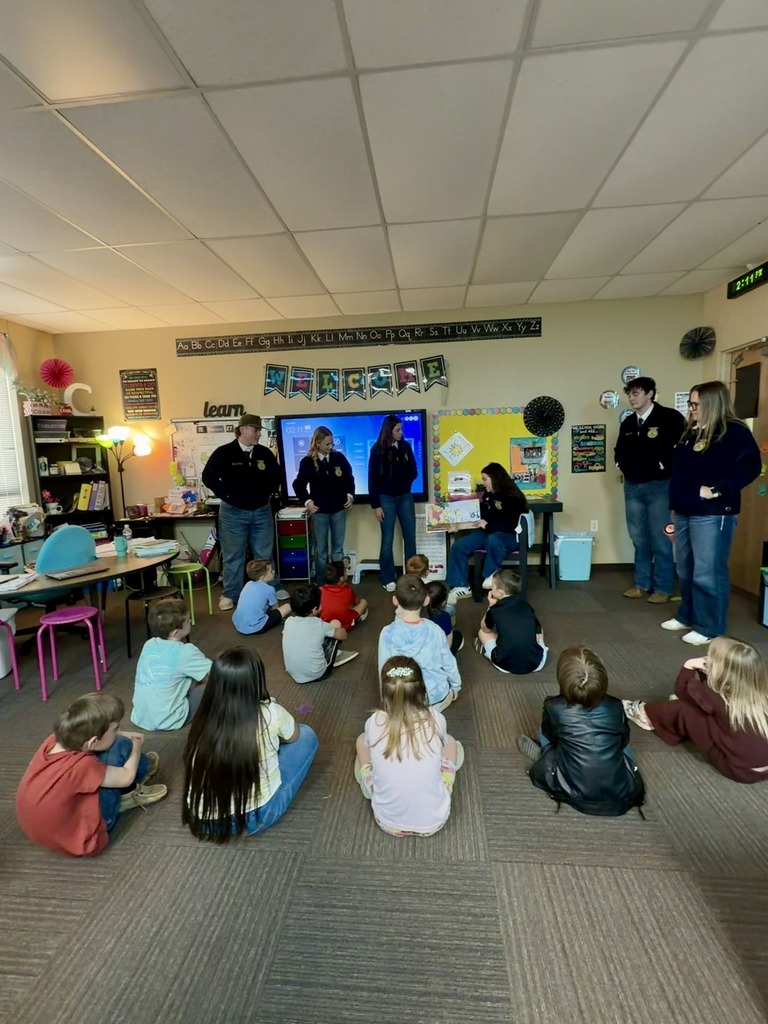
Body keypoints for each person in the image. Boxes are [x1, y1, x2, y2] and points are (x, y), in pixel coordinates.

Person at [662, 381, 761, 645]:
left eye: (696, 404)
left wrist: (717, 490)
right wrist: (674, 507)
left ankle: (709, 627)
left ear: (712, 403)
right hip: (684, 509)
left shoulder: (734, 431)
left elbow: (750, 466)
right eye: (690, 404)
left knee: (708, 571)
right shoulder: (690, 431)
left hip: (713, 512)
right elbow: (681, 472)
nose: (692, 409)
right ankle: (687, 615)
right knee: (685, 567)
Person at [182, 648, 319, 840]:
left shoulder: (204, 717)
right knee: (307, 735)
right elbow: (294, 737)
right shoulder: (271, 713)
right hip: (255, 818)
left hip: (205, 821)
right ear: (256, 681)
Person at [16, 692, 166, 856]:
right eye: (116, 728)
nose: (119, 731)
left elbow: (97, 742)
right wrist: (136, 745)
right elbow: (125, 778)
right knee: (121, 747)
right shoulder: (82, 765)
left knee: (115, 745)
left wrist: (117, 734)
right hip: (83, 840)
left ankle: (137, 766)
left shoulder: (54, 740)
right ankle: (127, 794)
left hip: (41, 831)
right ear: (93, 741)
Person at [518, 646, 645, 816]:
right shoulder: (616, 706)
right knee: (620, 741)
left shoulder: (554, 706)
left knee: (547, 729)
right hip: (622, 789)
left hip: (571, 786)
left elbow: (550, 733)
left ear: (562, 679)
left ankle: (546, 755)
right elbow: (623, 740)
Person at [623, 637, 768, 784]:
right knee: (706, 711)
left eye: (710, 656)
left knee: (683, 708)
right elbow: (709, 695)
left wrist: (689, 665)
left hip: (738, 770)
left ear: (720, 668)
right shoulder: (760, 693)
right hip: (764, 768)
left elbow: (681, 690)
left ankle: (646, 714)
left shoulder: (713, 696)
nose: (706, 657)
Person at [354, 656, 464, 837]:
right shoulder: (436, 719)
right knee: (450, 742)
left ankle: (371, 785)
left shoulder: (375, 721)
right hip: (435, 821)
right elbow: (443, 743)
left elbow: (368, 744)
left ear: (384, 692)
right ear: (422, 689)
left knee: (361, 740)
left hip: (387, 822)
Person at [614, 376, 686, 603]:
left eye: (636, 393)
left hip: (660, 486)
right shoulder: (628, 423)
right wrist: (621, 465)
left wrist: (660, 466)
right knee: (638, 537)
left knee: (660, 537)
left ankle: (663, 587)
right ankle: (641, 583)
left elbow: (679, 449)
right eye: (629, 394)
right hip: (633, 487)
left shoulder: (670, 418)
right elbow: (619, 451)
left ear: (650, 394)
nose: (632, 398)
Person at [201, 413, 283, 612]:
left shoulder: (264, 453)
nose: (258, 434)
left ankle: (270, 591)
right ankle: (231, 594)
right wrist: (226, 496)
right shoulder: (224, 453)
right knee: (233, 556)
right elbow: (208, 477)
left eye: (259, 431)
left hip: (262, 511)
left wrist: (268, 493)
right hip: (233, 514)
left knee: (264, 555)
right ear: (243, 430)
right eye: (255, 430)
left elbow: (276, 476)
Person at [446, 462, 528, 602]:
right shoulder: (488, 497)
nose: (483, 483)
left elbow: (510, 524)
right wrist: (459, 526)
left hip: (510, 536)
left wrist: (488, 526)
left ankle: (491, 574)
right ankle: (461, 586)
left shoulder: (513, 497)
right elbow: (479, 519)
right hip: (489, 534)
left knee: (494, 539)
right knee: (459, 546)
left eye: (485, 479)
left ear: (495, 478)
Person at [378, 575, 461, 711]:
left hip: (403, 699)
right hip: (436, 698)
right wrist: (456, 685)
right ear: (426, 600)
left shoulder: (387, 633)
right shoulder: (435, 629)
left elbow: (383, 667)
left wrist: (386, 697)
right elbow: (448, 661)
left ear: (395, 600)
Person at [132, 598, 211, 730]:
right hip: (171, 719)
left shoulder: (149, 644)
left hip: (141, 717)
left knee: (185, 676)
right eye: (187, 620)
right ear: (175, 632)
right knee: (216, 683)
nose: (190, 621)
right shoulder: (186, 651)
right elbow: (213, 676)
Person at [292, 426, 355, 584]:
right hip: (319, 512)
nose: (331, 447)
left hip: (338, 510)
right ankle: (321, 583)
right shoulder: (307, 462)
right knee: (321, 550)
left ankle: (339, 581)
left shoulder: (338, 458)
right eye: (327, 444)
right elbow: (298, 485)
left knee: (338, 549)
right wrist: (307, 501)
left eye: (332, 443)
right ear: (318, 444)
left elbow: (349, 478)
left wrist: (350, 495)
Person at [368, 414, 418, 592]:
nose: (401, 433)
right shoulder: (377, 450)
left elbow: (414, 470)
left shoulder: (405, 446)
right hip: (385, 498)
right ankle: (388, 577)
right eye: (398, 430)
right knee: (387, 539)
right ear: (388, 431)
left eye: (401, 429)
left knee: (410, 536)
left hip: (405, 496)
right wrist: (376, 505)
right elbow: (372, 480)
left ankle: (412, 577)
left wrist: (405, 484)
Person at [474, 568, 547, 674]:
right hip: (536, 664)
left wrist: (490, 606)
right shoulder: (526, 606)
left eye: (493, 586)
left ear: (499, 593)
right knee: (538, 628)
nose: (491, 589)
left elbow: (485, 629)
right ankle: (534, 648)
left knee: (482, 633)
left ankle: (487, 650)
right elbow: (538, 630)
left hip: (505, 665)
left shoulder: (495, 610)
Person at [282, 583, 358, 683]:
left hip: (294, 674)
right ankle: (336, 656)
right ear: (314, 610)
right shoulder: (319, 624)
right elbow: (343, 636)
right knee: (336, 623)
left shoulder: (289, 621)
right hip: (317, 673)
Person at [233, 558, 291, 636]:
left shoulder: (248, 584)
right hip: (255, 627)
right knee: (287, 606)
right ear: (263, 577)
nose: (273, 572)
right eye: (271, 571)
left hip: (238, 623)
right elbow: (275, 608)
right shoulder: (269, 589)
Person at [320, 560, 368, 633]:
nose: (347, 573)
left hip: (325, 624)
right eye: (345, 571)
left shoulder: (321, 590)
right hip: (345, 626)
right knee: (363, 602)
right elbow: (356, 602)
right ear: (341, 578)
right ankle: (357, 618)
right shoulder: (347, 589)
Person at [425, 579, 463, 654]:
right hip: (439, 656)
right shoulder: (444, 616)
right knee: (458, 635)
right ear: (444, 602)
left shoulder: (416, 614)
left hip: (420, 656)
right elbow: (449, 638)